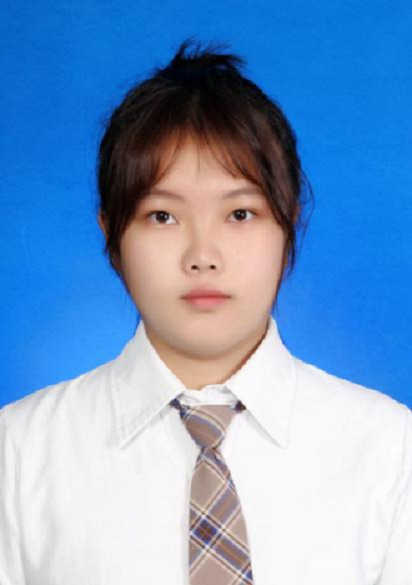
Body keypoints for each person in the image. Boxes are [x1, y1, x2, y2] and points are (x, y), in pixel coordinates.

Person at [0, 38, 411, 585]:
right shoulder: (18, 452)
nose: (202, 256)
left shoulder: (390, 450)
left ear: (288, 223)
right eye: (162, 217)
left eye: (240, 214)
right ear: (112, 233)